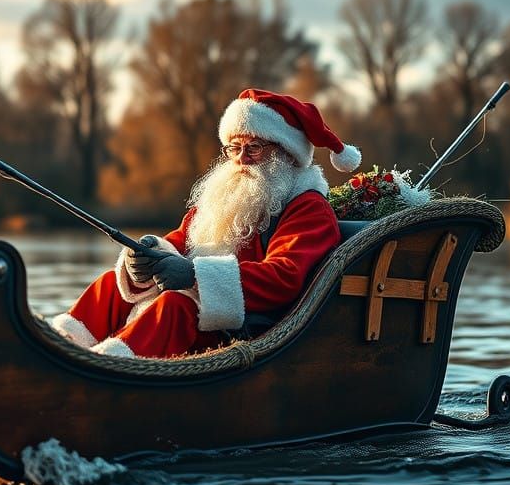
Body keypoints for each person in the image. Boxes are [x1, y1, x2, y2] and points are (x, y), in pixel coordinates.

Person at [51, 88, 362, 359]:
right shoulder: (224, 198)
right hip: (208, 308)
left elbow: (284, 277)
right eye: (234, 148)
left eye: (254, 148)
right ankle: (64, 345)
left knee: (176, 305)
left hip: (255, 327)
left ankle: (113, 365)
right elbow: (181, 241)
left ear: (287, 155)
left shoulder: (308, 208)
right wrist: (147, 255)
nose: (241, 159)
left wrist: (194, 276)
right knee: (113, 284)